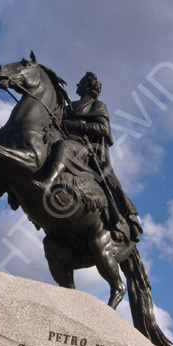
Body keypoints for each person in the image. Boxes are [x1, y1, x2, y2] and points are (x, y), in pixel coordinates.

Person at [36, 72, 143, 242]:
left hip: (82, 148)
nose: (77, 85)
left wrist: (75, 124)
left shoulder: (97, 105)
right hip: (61, 139)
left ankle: (48, 182)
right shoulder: (70, 106)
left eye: (80, 82)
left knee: (64, 147)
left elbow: (103, 129)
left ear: (88, 86)